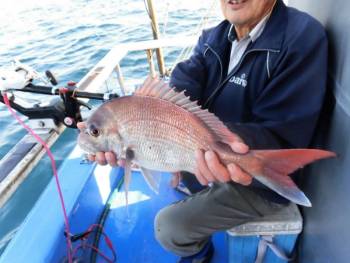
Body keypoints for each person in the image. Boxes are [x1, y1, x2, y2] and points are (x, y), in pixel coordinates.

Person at [78, 0, 328, 261]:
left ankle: (200, 254)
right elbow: (183, 83)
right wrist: (145, 126)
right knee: (174, 169)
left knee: (169, 227)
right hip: (208, 156)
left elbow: (283, 136)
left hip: (256, 180)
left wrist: (224, 145)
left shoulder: (301, 38)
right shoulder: (215, 36)